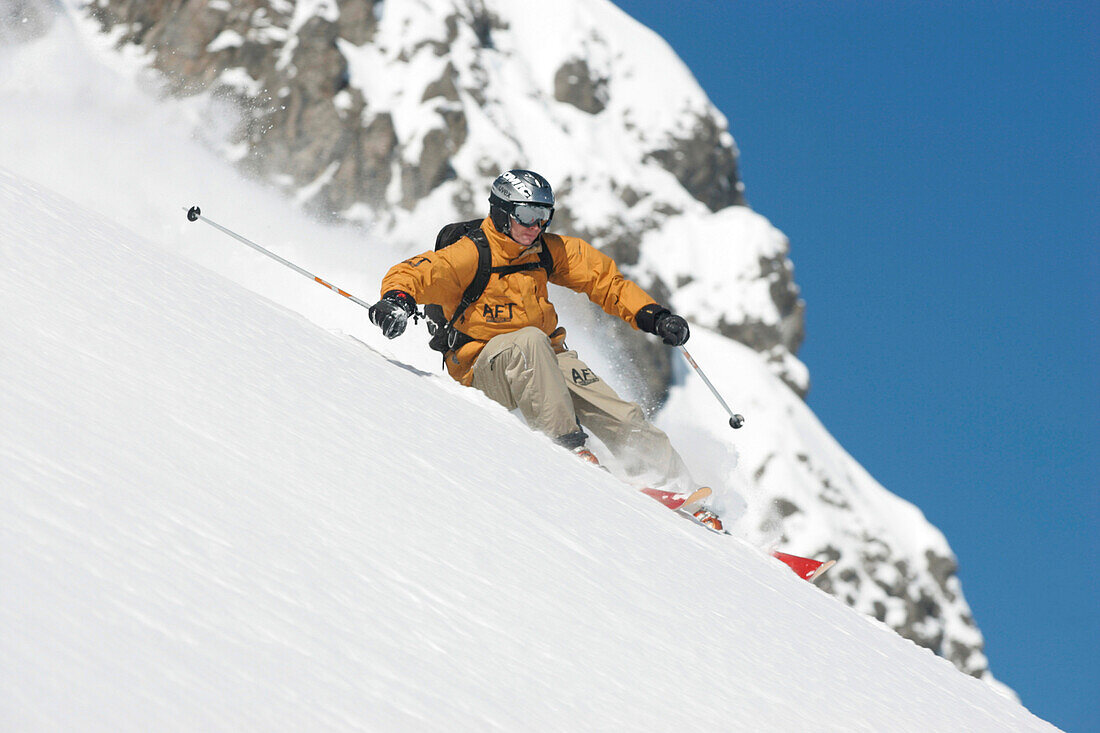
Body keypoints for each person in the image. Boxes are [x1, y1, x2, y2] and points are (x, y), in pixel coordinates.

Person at [369, 169, 721, 528]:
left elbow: (605, 281)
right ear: (503, 213)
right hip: (483, 369)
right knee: (530, 340)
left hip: (543, 360)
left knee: (622, 414)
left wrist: (653, 316)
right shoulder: (472, 254)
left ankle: (682, 492)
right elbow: (415, 273)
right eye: (527, 215)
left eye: (544, 216)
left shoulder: (544, 251)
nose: (536, 226)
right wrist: (397, 300)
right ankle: (568, 449)